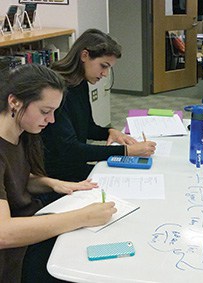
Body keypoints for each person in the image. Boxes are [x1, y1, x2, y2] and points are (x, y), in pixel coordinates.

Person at [0, 64, 117, 282]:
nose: (52, 120)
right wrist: (82, 217)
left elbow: (15, 180)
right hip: (15, 254)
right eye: (45, 111)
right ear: (14, 101)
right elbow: (3, 233)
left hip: (32, 223)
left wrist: (53, 183)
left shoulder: (22, 131)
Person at [42, 29, 156, 182]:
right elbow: (70, 149)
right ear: (84, 55)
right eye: (103, 66)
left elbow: (87, 127)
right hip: (59, 175)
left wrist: (110, 132)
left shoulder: (80, 83)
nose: (105, 74)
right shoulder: (56, 89)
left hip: (74, 165)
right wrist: (126, 151)